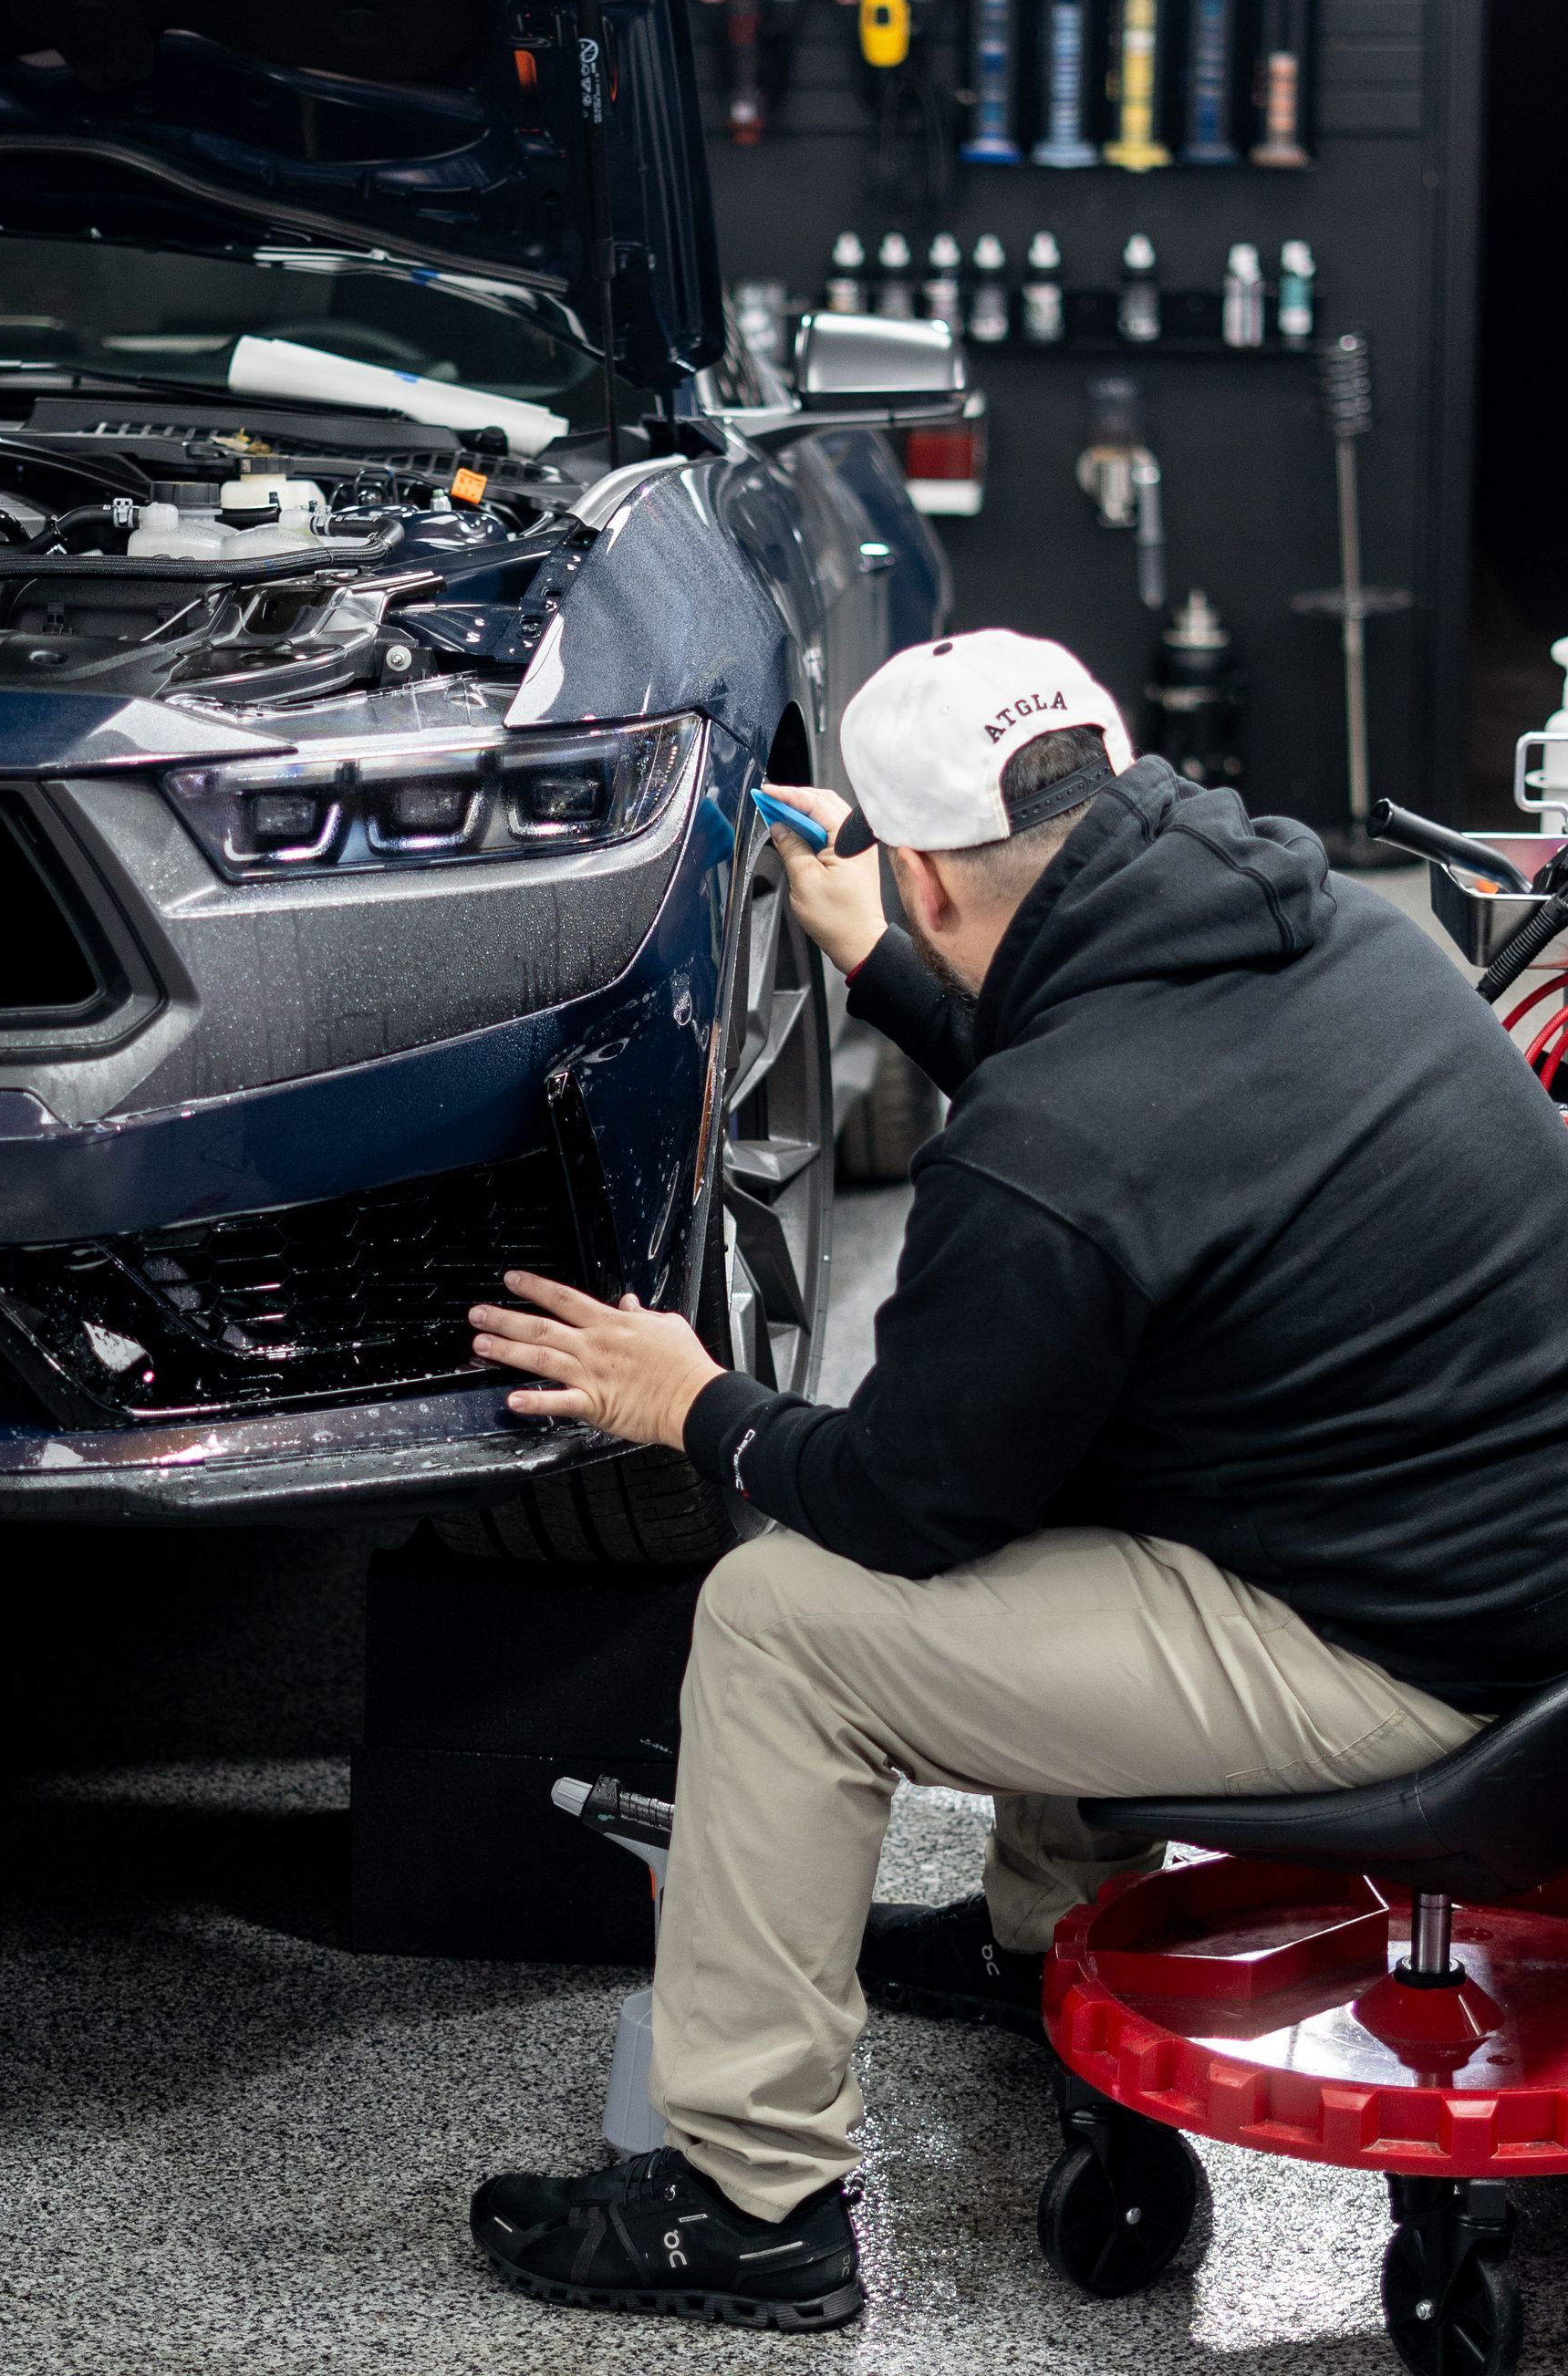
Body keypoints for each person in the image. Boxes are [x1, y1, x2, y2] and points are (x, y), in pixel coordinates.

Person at [463, 628, 1568, 2332]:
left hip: (1405, 1668)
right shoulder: (1323, 925)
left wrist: (692, 1402)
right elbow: (1134, 1131)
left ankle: (746, 2200)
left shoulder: (1056, 1143)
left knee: (779, 1625)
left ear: (922, 872)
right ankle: (1038, 1943)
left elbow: (912, 1502)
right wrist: (883, 966)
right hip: (1495, 1587)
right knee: (1076, 1426)